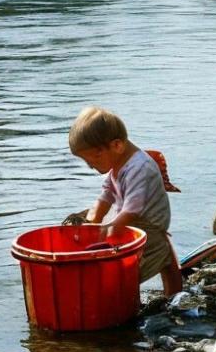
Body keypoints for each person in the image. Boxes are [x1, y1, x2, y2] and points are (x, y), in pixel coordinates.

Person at [68, 106, 183, 297]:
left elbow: (132, 210)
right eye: (87, 162)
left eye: (94, 160)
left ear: (117, 145)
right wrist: (93, 219)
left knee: (126, 274)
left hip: (148, 226)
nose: (91, 167)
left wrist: (106, 232)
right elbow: (106, 194)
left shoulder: (140, 167)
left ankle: (138, 298)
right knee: (80, 220)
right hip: (131, 218)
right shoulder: (119, 163)